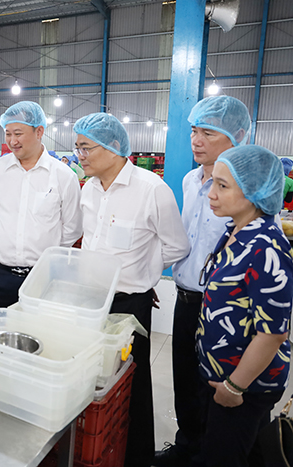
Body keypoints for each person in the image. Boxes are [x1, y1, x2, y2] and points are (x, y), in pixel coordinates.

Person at [74, 112, 189, 467]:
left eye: (86, 147)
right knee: (93, 379)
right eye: (78, 148)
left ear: (113, 148)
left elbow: (177, 246)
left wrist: (145, 272)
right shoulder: (89, 189)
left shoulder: (151, 189)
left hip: (128, 304)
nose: (80, 155)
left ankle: (137, 457)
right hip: (92, 299)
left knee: (131, 384)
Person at [155, 95, 252, 467]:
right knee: (185, 378)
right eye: (194, 131)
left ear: (236, 136)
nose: (196, 141)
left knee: (216, 386)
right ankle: (186, 447)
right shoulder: (189, 180)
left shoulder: (245, 187)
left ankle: (210, 456)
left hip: (224, 306)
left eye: (208, 133)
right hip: (186, 297)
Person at [197, 145, 292, 467]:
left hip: (245, 387)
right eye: (213, 181)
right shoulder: (235, 232)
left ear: (255, 191)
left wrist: (234, 387)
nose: (211, 193)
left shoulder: (266, 247)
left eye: (222, 185)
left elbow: (273, 333)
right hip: (225, 377)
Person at [0, 101, 82, 312]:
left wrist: (44, 258)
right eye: (8, 134)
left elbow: (72, 228)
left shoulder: (63, 176)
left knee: (38, 332)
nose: (12, 141)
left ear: (39, 132)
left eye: (18, 133)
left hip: (43, 279)